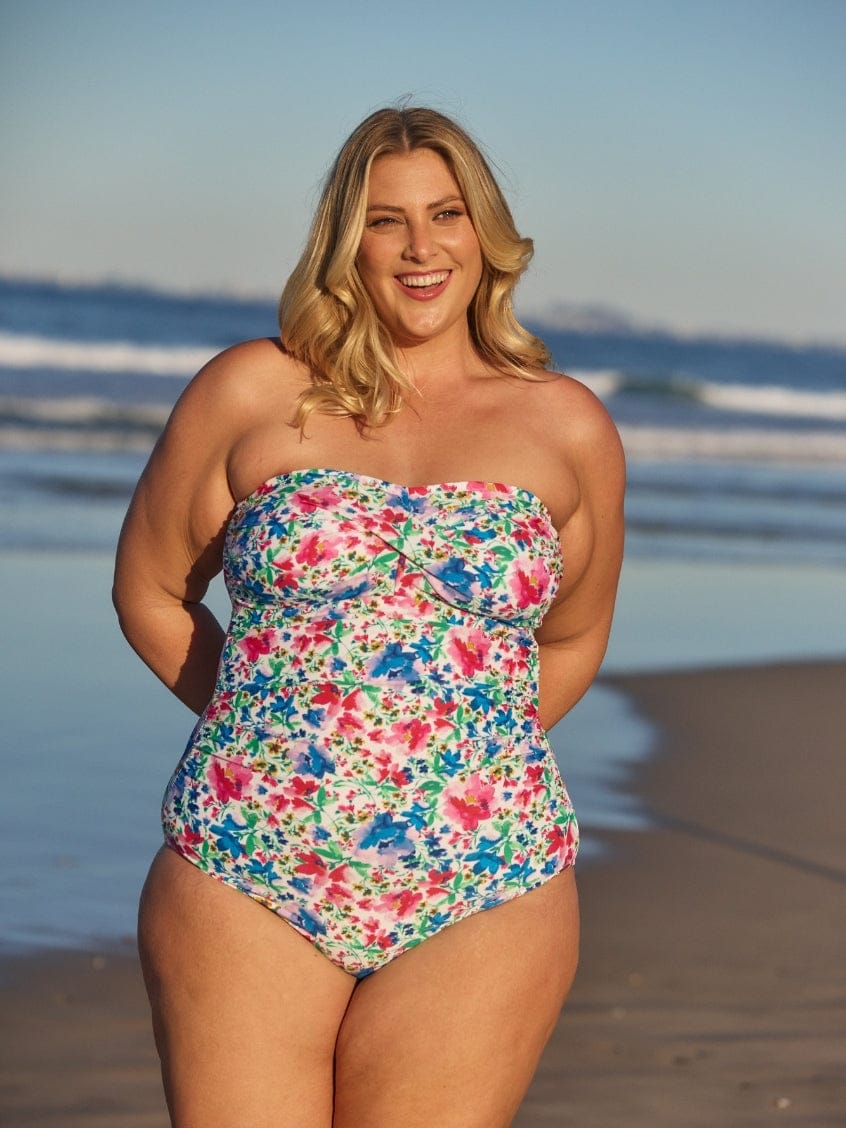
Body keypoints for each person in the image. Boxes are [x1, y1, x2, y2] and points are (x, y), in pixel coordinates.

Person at [113, 105, 624, 1127]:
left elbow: (569, 638)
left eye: (446, 214)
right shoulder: (252, 390)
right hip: (249, 860)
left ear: (487, 233)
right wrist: (276, 730)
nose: (421, 248)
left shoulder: (567, 424)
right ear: (347, 240)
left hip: (487, 881)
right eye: (387, 220)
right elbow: (152, 592)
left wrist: (450, 759)